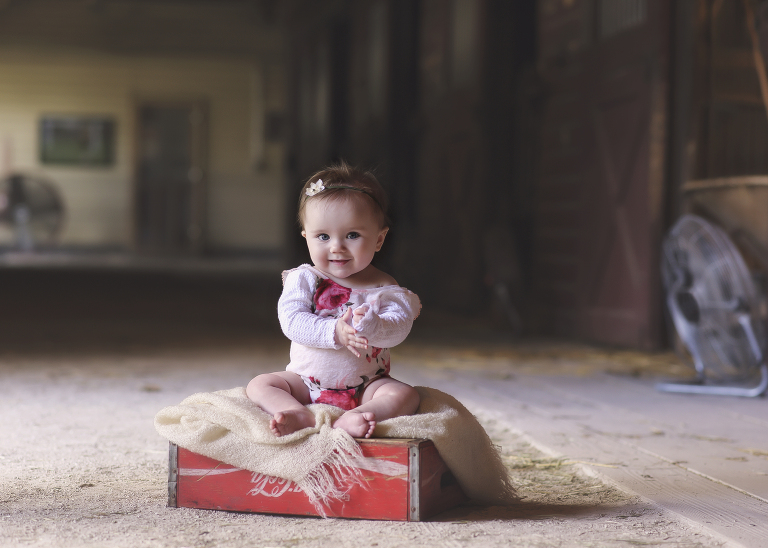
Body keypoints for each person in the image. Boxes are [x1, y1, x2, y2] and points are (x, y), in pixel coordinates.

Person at [246, 163, 421, 439]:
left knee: (406, 395)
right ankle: (298, 412)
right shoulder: (305, 278)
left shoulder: (385, 287)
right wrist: (335, 331)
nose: (336, 247)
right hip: (306, 382)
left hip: (366, 387)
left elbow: (399, 328)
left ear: (378, 239)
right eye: (323, 236)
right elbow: (291, 321)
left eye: (352, 235)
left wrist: (374, 326)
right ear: (307, 238)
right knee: (260, 384)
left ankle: (354, 417)